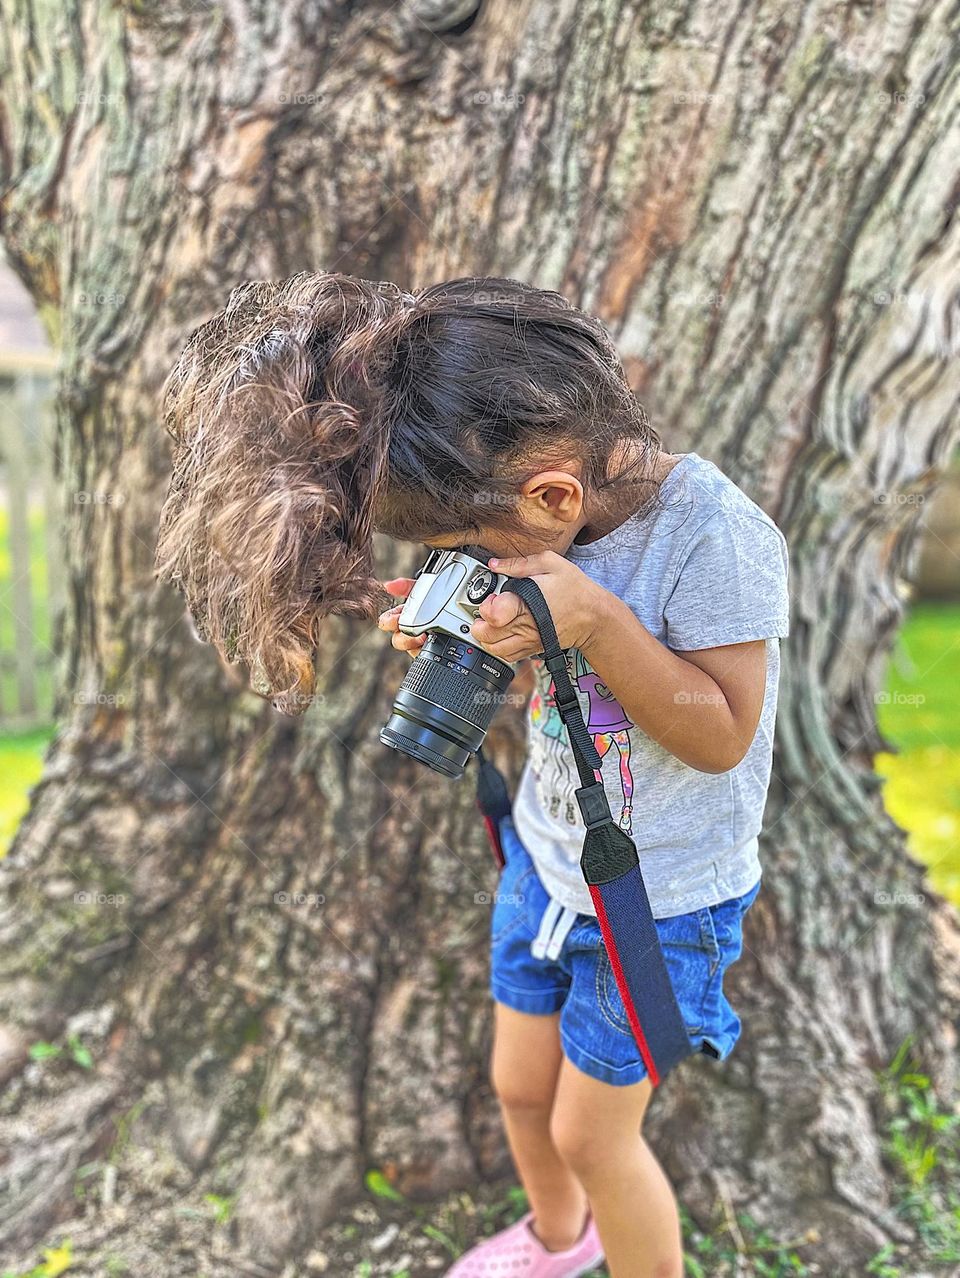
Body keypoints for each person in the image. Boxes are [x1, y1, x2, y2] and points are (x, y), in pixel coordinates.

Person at [156, 272, 790, 1278]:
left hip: (658, 901)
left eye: (462, 550)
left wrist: (592, 619)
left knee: (595, 1136)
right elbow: (558, 663)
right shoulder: (537, 515)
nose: (466, 563)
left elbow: (721, 735)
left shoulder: (713, 537)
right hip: (548, 861)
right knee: (519, 1088)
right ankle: (558, 1239)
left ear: (552, 497)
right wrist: (467, 628)